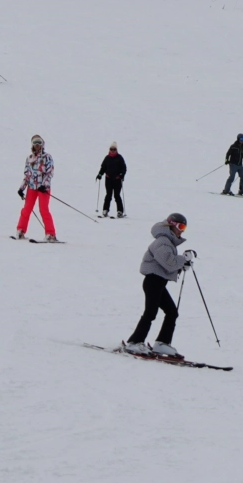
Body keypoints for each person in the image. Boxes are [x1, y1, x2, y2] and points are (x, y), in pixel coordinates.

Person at [124, 213, 194, 357]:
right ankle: (135, 342)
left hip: (159, 282)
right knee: (151, 312)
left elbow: (168, 263)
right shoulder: (163, 241)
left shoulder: (168, 242)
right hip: (153, 281)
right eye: (181, 226)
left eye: (184, 227)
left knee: (172, 312)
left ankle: (162, 343)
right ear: (172, 225)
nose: (182, 230)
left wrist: (182, 265)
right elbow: (169, 263)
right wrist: (182, 260)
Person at [15, 134, 57, 242]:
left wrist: (44, 184)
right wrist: (22, 188)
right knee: (26, 209)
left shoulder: (47, 157)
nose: (37, 145)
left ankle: (50, 234)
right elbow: (27, 174)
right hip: (32, 188)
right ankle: (20, 231)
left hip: (43, 188)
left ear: (42, 144)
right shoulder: (29, 158)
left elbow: (50, 172)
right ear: (32, 145)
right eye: (35, 143)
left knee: (44, 209)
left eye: (39, 142)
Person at [98, 143, 127, 217]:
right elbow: (103, 167)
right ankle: (105, 210)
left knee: (117, 195)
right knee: (108, 195)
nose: (113, 151)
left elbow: (124, 168)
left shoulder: (120, 158)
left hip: (117, 180)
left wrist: (121, 175)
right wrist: (100, 174)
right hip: (108, 179)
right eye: (111, 149)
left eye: (114, 149)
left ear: (116, 150)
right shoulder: (107, 158)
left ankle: (120, 211)